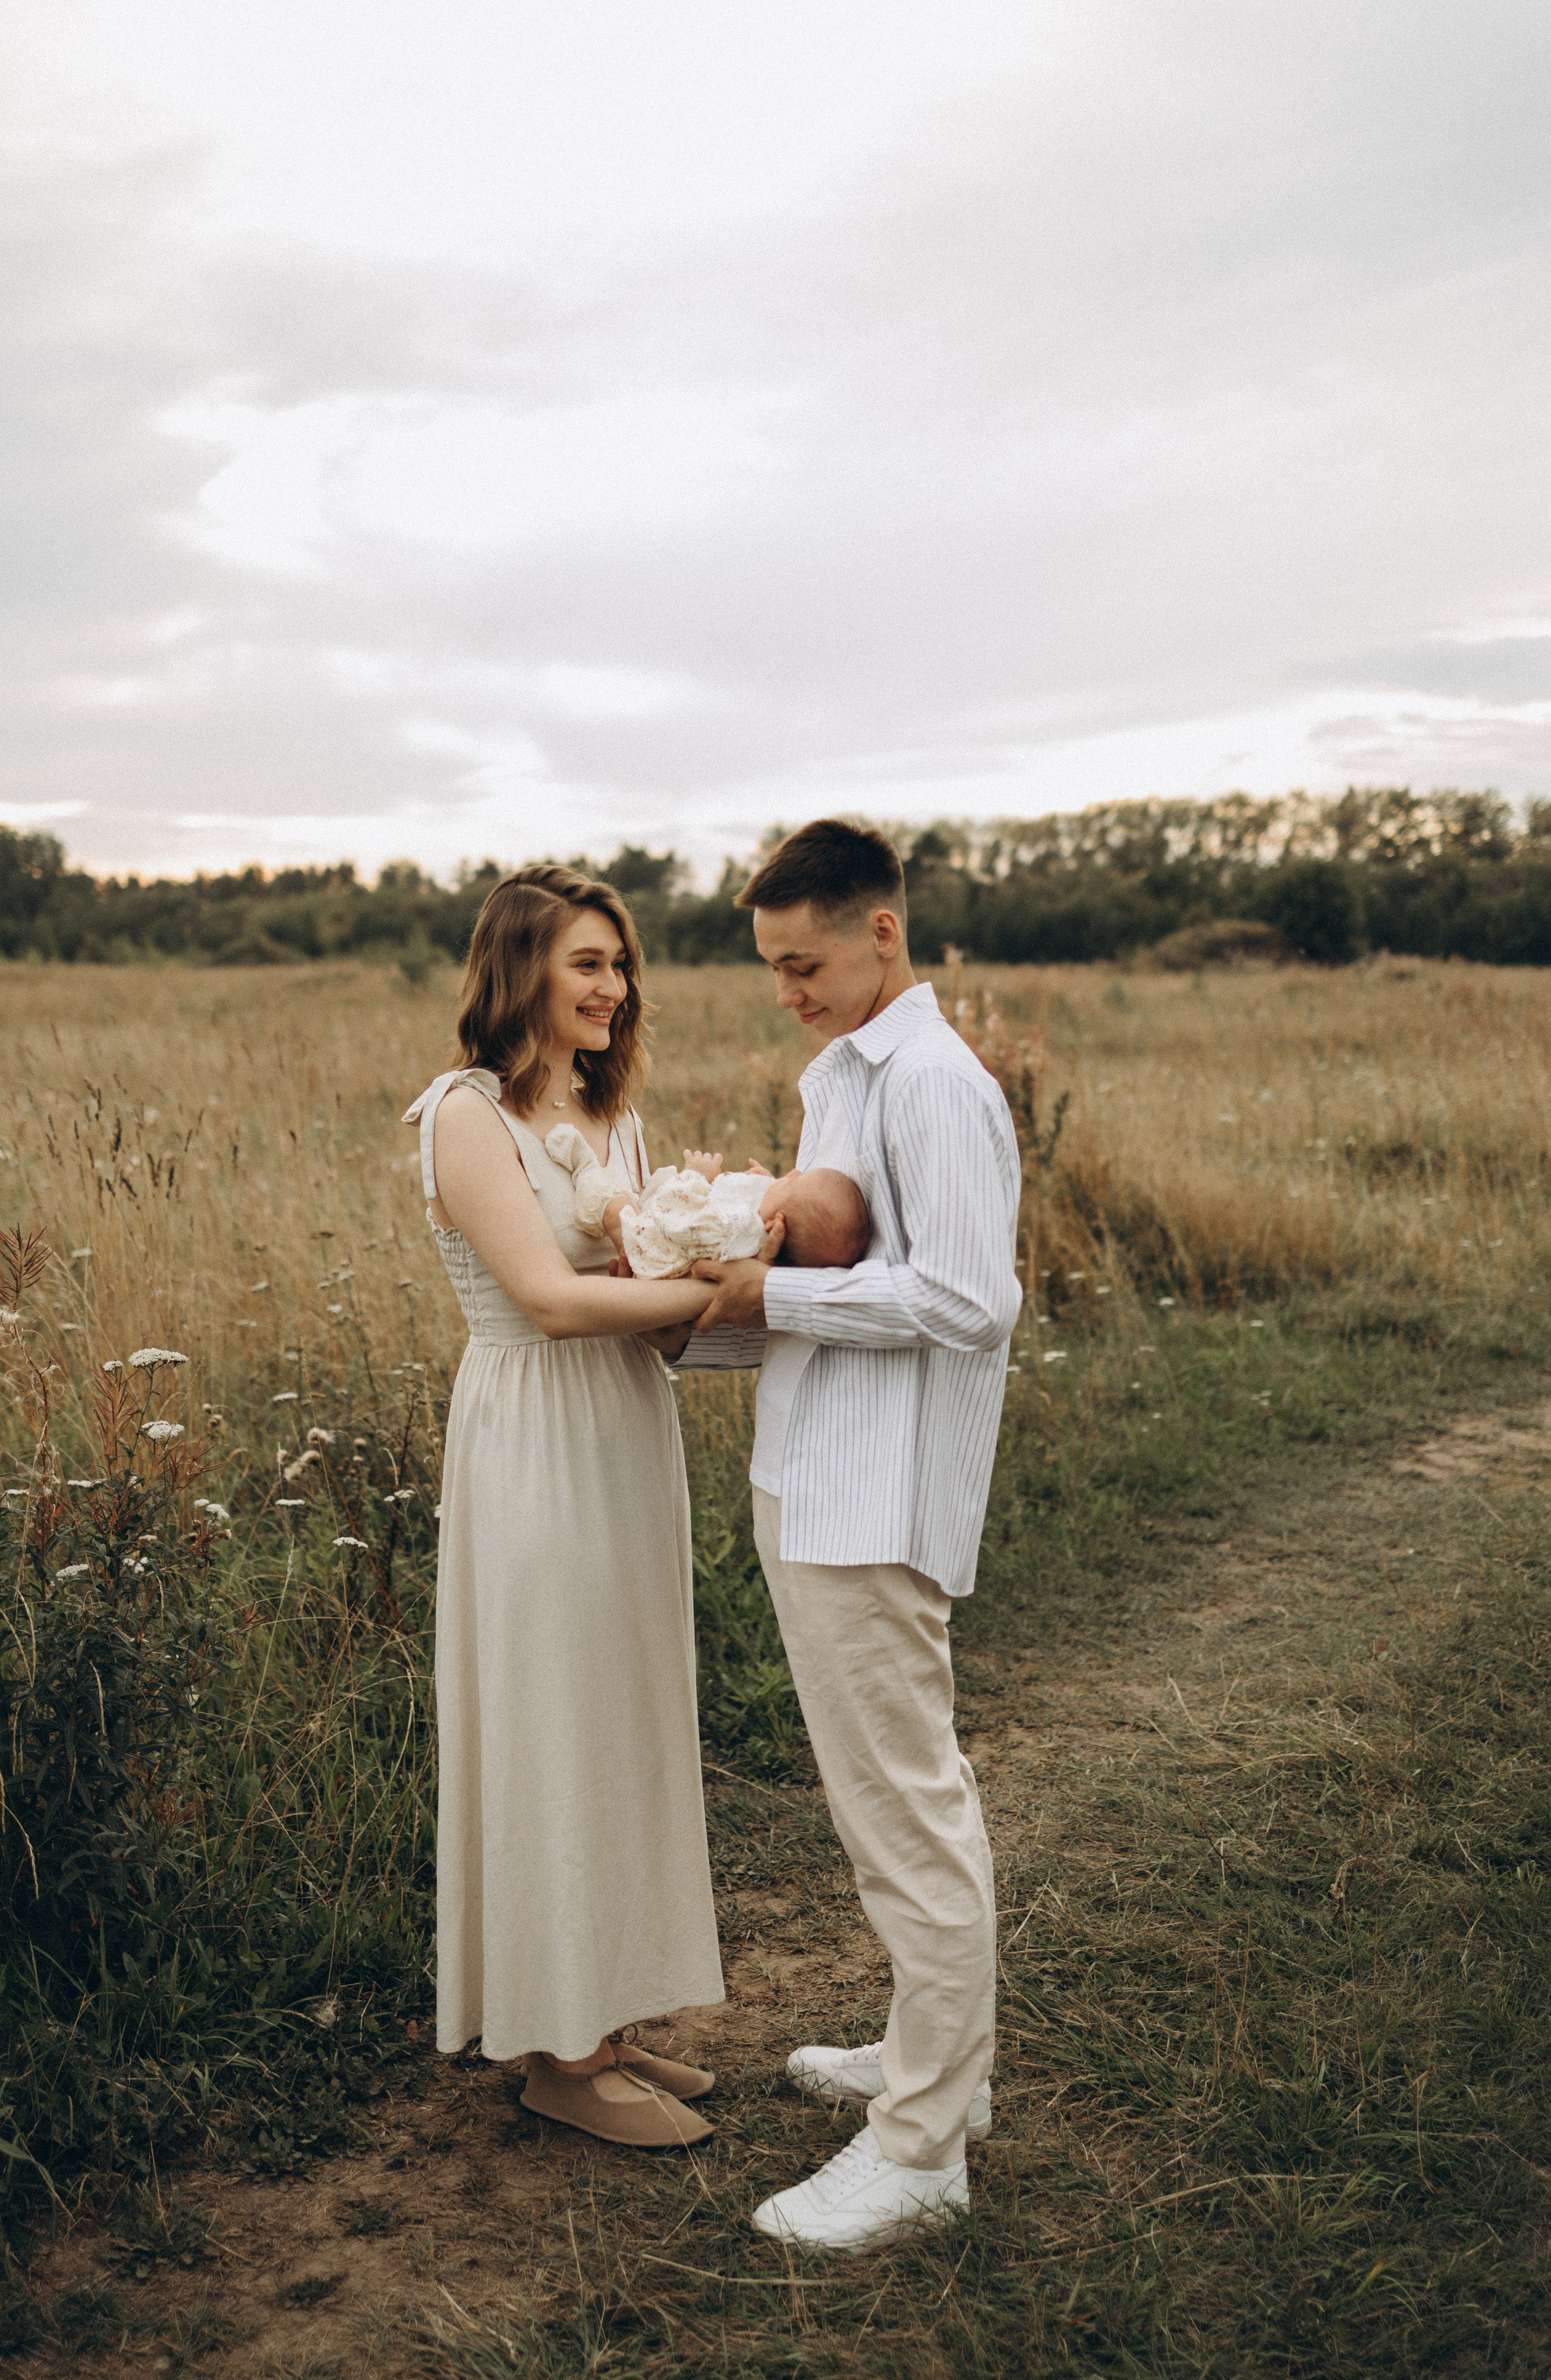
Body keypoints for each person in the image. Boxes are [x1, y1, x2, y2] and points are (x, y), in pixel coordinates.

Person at [689, 818, 1024, 2249]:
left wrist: (769, 1301)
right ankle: (926, 2065)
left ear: (880, 932)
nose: (788, 992)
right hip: (815, 1474)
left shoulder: (934, 1085)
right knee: (877, 1805)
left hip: (875, 1498)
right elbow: (850, 1265)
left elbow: (965, 1301)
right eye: (770, 969)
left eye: (803, 962)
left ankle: (923, 2150)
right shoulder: (843, 1079)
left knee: (906, 1815)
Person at [402, 865, 732, 2149]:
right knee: (549, 1719)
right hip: (532, 1437)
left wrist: (705, 1282)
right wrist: (719, 1283)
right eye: (588, 962)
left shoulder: (616, 1120)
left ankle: (598, 2016)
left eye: (620, 964)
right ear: (521, 968)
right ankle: (555, 2057)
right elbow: (545, 1299)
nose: (614, 987)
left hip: (622, 1433)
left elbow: (640, 1315)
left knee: (619, 1717)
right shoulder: (462, 1115)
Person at [543, 1128, 871, 1277]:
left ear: (774, 1225)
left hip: (655, 1244)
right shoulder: (756, 1224)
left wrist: (696, 1176)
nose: (795, 1172)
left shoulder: (736, 1227)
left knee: (619, 1211)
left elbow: (679, 1218)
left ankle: (583, 1166)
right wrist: (764, 1184)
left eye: (794, 1182)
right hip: (674, 1227)